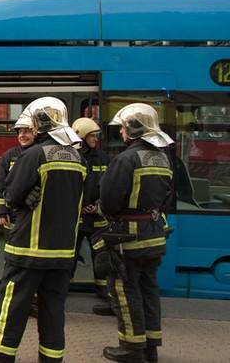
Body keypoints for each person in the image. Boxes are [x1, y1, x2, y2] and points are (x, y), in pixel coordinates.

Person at [0, 97, 85, 363]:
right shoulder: (77, 157)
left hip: (28, 247)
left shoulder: (35, 154)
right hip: (63, 251)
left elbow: (11, 195)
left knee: (13, 300)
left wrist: (24, 196)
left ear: (40, 124)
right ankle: (51, 357)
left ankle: (1, 352)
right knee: (53, 306)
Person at [97, 104, 174, 363]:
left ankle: (132, 347)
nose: (120, 132)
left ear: (131, 131)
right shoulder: (163, 158)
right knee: (148, 288)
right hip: (154, 233)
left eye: (122, 128)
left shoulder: (126, 159)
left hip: (128, 237)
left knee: (124, 289)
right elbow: (168, 198)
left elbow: (108, 200)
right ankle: (151, 345)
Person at [71, 118, 112, 302]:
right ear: (82, 136)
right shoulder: (71, 156)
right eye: (92, 136)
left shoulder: (104, 158)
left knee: (102, 256)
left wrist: (98, 205)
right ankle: (63, 286)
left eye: (96, 136)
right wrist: (80, 206)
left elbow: (111, 186)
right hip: (76, 218)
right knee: (70, 255)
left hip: (98, 217)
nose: (96, 139)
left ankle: (103, 289)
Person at [0, 110, 35, 231]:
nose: (22, 135)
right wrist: (1, 211)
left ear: (35, 133)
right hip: (12, 214)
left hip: (33, 212)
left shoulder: (40, 154)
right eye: (19, 132)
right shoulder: (9, 155)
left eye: (26, 132)